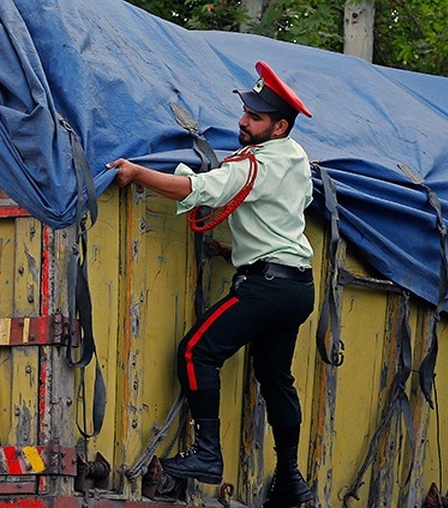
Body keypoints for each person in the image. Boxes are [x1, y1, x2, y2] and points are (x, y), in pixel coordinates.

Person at [107, 61, 317, 508]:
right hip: (297, 286)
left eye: (255, 117)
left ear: (278, 125)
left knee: (195, 351)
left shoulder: (252, 166)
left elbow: (195, 189)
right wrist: (235, 251)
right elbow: (286, 212)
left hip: (267, 285)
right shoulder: (297, 158)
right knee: (276, 379)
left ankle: (207, 455)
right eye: (245, 112)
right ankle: (289, 477)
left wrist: (138, 173)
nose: (242, 121)